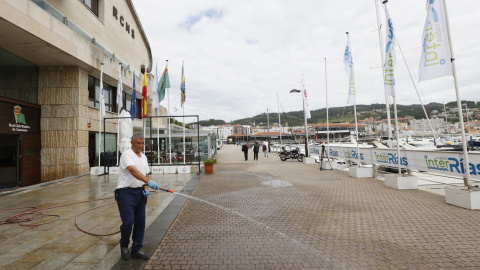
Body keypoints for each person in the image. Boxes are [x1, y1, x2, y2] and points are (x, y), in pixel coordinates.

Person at [115, 132, 159, 261]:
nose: (140, 146)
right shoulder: (126, 155)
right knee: (128, 222)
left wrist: (146, 188)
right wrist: (148, 181)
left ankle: (136, 249)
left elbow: (146, 174)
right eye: (138, 143)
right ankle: (124, 246)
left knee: (140, 222)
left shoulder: (143, 157)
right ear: (132, 143)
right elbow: (133, 171)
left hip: (140, 193)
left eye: (142, 143)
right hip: (125, 192)